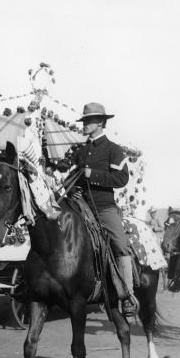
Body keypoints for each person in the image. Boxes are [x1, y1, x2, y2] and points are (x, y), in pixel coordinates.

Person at [66, 102, 137, 317]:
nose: (85, 124)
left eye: (89, 121)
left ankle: (127, 296)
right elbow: (73, 179)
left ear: (100, 123)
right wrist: (73, 191)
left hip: (104, 207)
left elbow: (122, 178)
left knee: (120, 244)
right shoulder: (80, 152)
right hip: (81, 206)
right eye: (85, 121)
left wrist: (93, 175)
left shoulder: (113, 150)